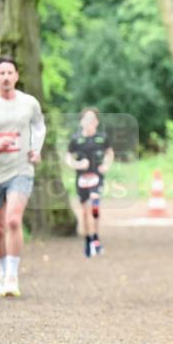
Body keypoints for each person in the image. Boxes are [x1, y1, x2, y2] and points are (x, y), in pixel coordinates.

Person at [0, 56, 46, 298]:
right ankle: (2, 272)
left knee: (13, 220)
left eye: (10, 72)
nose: (6, 77)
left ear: (17, 76)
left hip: (21, 169)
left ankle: (12, 276)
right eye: (2, 73)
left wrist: (36, 148)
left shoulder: (29, 103)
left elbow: (39, 126)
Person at [65, 108, 114, 257]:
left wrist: (106, 165)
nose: (89, 122)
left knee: (94, 206)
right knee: (85, 213)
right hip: (82, 179)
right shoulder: (76, 140)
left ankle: (96, 238)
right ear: (81, 122)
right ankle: (88, 240)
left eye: (92, 119)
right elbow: (68, 157)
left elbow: (109, 153)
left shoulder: (102, 138)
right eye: (86, 119)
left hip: (97, 178)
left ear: (96, 122)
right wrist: (77, 165)